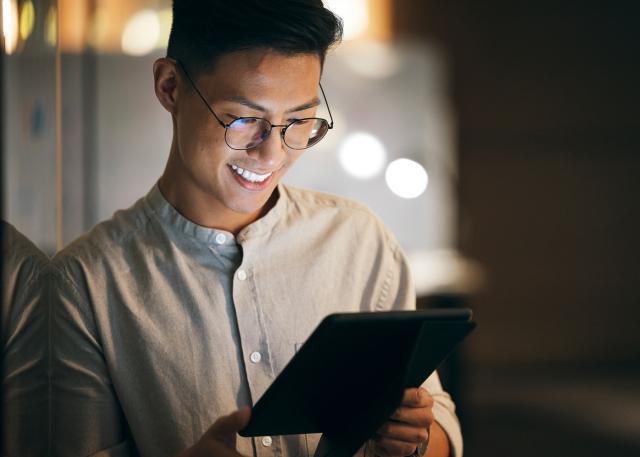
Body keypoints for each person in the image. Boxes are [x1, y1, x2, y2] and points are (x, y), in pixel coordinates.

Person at [51, 1, 463, 456]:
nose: (271, 156)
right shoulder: (83, 284)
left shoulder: (359, 242)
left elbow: (437, 419)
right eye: (245, 119)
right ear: (170, 87)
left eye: (299, 121)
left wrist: (418, 439)